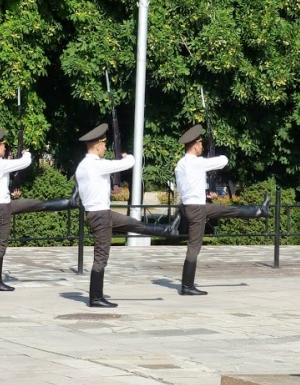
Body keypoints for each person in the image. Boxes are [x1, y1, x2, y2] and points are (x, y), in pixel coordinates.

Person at [75, 123, 180, 308]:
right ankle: (95, 298)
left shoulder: (82, 166)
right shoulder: (96, 165)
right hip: (100, 215)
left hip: (100, 213)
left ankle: (165, 229)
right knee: (101, 256)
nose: (105, 148)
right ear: (97, 146)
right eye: (104, 145)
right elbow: (129, 163)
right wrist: (127, 156)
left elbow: (93, 189)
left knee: (131, 223)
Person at [175, 124, 270, 296]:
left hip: (193, 206)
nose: (202, 147)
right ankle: (187, 286)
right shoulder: (195, 163)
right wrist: (214, 148)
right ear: (195, 145)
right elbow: (223, 161)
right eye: (201, 144)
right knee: (194, 246)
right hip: (196, 208)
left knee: (226, 210)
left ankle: (259, 211)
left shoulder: (180, 164)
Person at [0, 128, 78, 291]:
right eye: (4, 146)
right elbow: (25, 163)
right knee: (1, 243)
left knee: (35, 204)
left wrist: (10, 192)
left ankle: (70, 203)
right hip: (2, 208)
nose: (5, 149)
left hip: (2, 204)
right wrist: (26, 153)